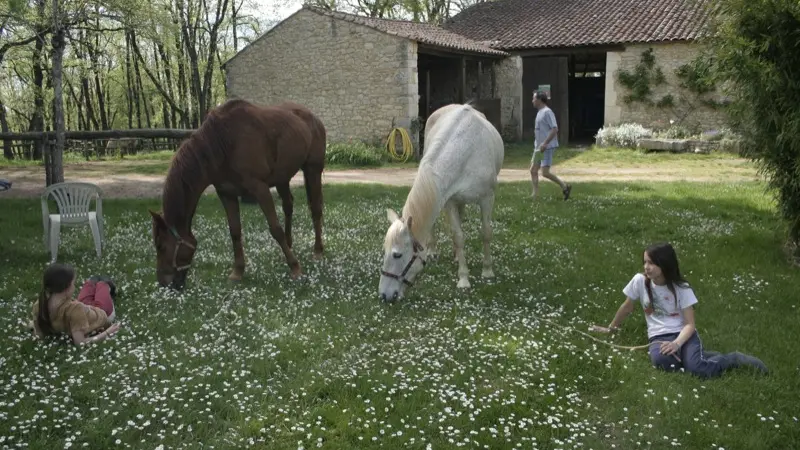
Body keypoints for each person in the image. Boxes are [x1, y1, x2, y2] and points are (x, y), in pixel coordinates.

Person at [591, 242, 767, 379]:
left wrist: (676, 344)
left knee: (697, 370)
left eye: (651, 263)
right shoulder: (639, 281)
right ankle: (698, 356)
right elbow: (627, 306)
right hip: (658, 337)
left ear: (665, 264)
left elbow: (690, 325)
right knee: (662, 363)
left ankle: (733, 359)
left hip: (683, 334)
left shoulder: (681, 288)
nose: (646, 267)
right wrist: (611, 328)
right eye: (645, 262)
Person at [29, 263, 121, 345]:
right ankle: (103, 283)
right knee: (102, 285)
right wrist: (107, 332)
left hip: (84, 309)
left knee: (89, 288)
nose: (75, 286)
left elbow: (39, 334)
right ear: (66, 288)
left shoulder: (39, 305)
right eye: (73, 284)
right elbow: (80, 342)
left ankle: (93, 282)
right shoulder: (74, 309)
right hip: (103, 313)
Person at [530, 90, 571, 200]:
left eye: (534, 98)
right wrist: (538, 145)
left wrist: (545, 143)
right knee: (533, 170)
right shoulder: (539, 112)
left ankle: (565, 186)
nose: (532, 100)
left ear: (539, 100)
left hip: (546, 148)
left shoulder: (548, 112)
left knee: (545, 172)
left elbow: (554, 129)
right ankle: (535, 194)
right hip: (539, 148)